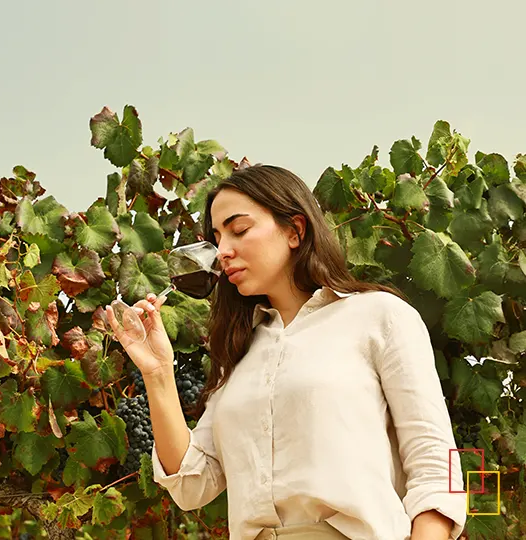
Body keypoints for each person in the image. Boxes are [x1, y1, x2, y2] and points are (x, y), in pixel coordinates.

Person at [104, 164, 467, 540]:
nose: (223, 251)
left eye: (239, 230)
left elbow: (440, 466)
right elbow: (192, 484)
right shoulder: (241, 352)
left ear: (294, 230)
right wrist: (158, 372)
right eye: (216, 238)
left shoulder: (379, 316)